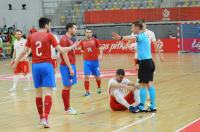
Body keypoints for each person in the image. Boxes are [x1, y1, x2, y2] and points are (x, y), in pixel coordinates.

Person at [12, 17, 79, 128]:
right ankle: (46, 119)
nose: (50, 27)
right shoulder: (49, 36)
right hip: (46, 65)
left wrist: (15, 62)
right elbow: (61, 50)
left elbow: (24, 51)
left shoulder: (31, 36)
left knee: (38, 93)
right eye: (50, 25)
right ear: (47, 25)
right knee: (48, 92)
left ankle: (40, 118)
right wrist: (73, 46)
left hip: (35, 66)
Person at [112, 20, 158, 112]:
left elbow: (132, 38)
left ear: (137, 27)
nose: (131, 29)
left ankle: (142, 106)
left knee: (142, 85)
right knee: (149, 84)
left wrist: (121, 37)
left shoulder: (140, 36)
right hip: (149, 62)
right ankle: (153, 105)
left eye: (133, 27)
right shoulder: (144, 36)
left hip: (145, 64)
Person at [59, 23, 80, 115]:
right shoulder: (64, 39)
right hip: (67, 66)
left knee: (69, 87)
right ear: (69, 29)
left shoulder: (70, 40)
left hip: (71, 65)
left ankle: (68, 107)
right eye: (75, 28)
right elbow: (64, 54)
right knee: (67, 87)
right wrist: (70, 68)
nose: (76, 30)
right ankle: (67, 109)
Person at [79, 28, 103, 96]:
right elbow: (81, 49)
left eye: (89, 32)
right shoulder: (82, 42)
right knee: (86, 76)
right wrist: (83, 52)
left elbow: (100, 48)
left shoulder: (96, 40)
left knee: (97, 76)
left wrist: (100, 55)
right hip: (86, 62)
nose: (88, 33)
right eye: (87, 32)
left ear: (91, 33)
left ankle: (98, 87)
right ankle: (87, 92)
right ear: (85, 33)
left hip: (95, 62)